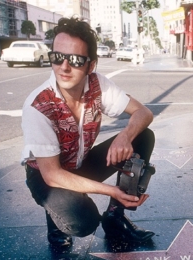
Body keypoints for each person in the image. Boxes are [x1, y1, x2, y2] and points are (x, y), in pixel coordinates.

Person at [21, 17, 156, 248]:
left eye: (74, 60)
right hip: (46, 176)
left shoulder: (97, 84)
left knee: (143, 136)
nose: (64, 67)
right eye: (57, 57)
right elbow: (52, 175)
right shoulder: (38, 106)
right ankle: (55, 216)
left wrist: (125, 136)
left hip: (80, 163)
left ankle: (115, 217)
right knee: (84, 221)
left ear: (90, 65)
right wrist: (112, 190)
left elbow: (143, 113)